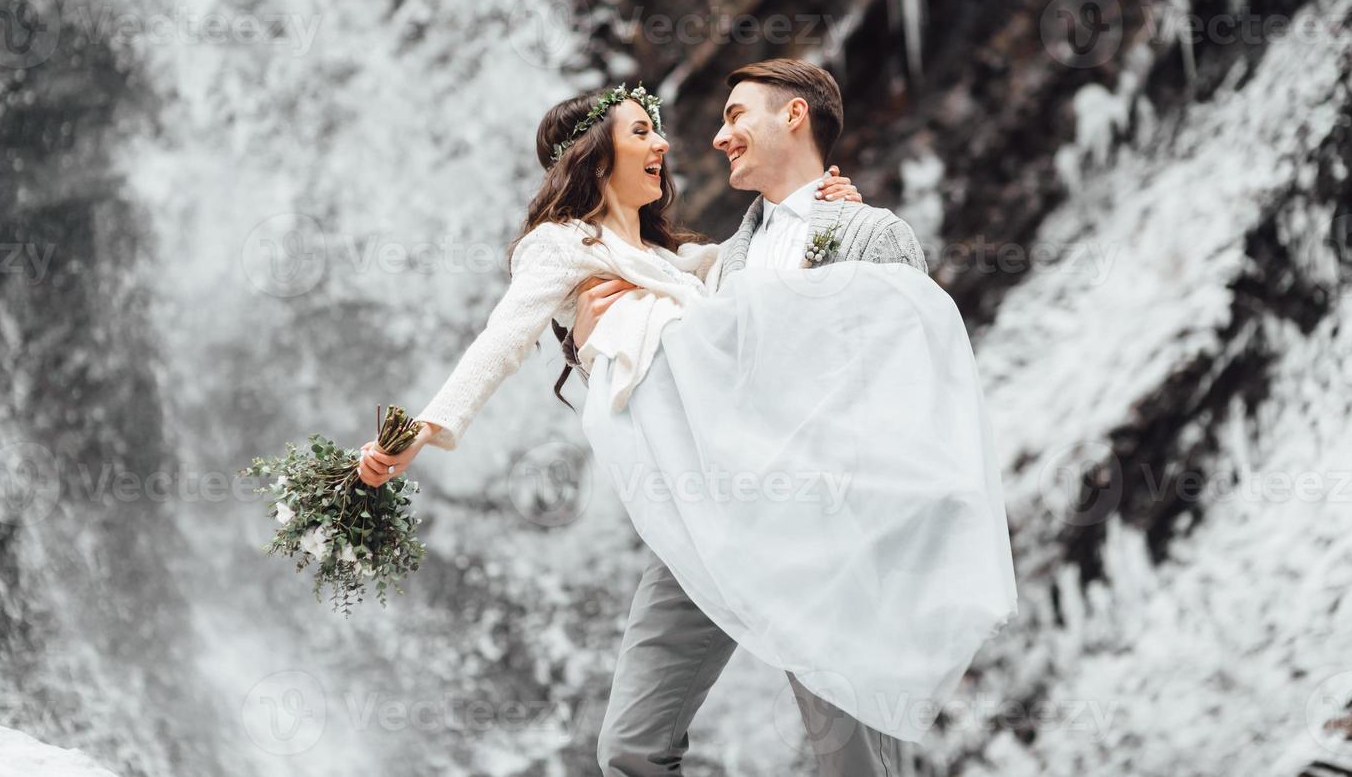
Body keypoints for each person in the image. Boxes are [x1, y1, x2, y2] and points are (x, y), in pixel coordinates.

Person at [359, 63, 1017, 775]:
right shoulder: (722, 257)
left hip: (820, 527)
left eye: (736, 117)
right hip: (703, 516)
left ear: (792, 117)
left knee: (850, 758)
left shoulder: (848, 234)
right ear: (598, 155)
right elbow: (511, 336)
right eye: (646, 131)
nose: (708, 138)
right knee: (631, 750)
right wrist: (426, 429)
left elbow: (913, 377)